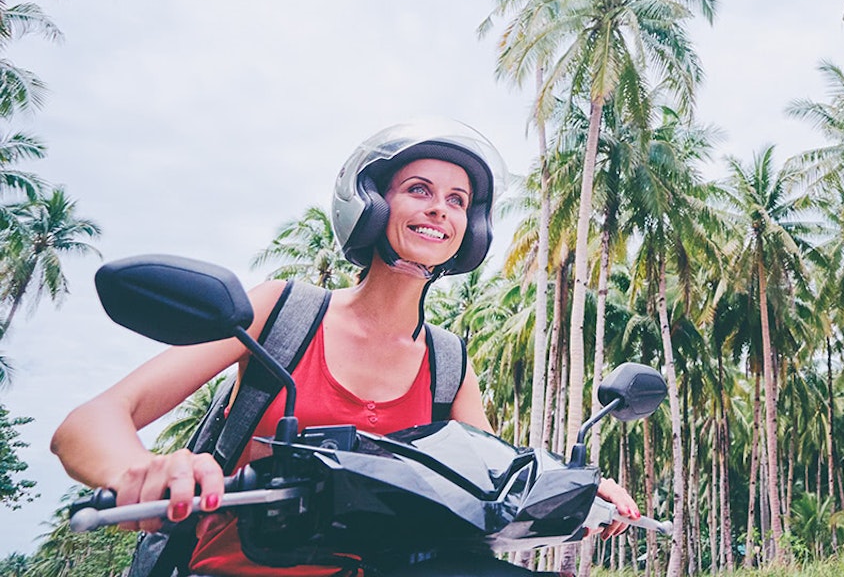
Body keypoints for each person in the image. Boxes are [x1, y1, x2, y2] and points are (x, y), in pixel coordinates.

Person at [51, 119, 640, 575]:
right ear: (371, 202)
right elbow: (87, 423)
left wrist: (581, 494)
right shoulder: (284, 312)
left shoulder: (448, 363)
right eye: (419, 189)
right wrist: (145, 470)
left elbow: (488, 488)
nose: (440, 207)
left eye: (458, 200)